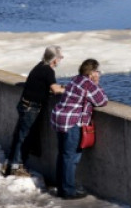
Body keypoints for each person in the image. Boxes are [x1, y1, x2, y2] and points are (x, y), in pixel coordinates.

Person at [50, 58, 107, 200]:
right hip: (71, 122)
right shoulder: (88, 85)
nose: (99, 74)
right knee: (71, 157)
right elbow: (102, 100)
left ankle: (61, 187)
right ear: (92, 73)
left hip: (60, 118)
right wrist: (96, 84)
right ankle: (68, 191)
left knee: (63, 155)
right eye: (97, 72)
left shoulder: (75, 79)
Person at [3, 45, 65, 177]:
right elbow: (55, 90)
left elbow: (42, 86)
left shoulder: (39, 66)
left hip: (24, 104)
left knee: (19, 135)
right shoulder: (48, 71)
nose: (61, 60)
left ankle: (9, 164)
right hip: (31, 107)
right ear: (54, 60)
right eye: (60, 57)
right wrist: (69, 90)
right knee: (23, 137)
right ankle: (15, 167)